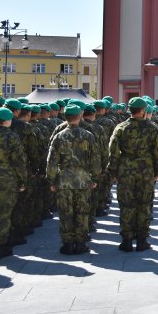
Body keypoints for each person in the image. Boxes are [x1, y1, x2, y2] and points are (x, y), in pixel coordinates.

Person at [109, 97, 158, 251]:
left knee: (126, 205)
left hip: (125, 171)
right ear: (142, 111)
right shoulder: (152, 128)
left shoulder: (121, 127)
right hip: (146, 171)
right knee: (144, 205)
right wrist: (156, 172)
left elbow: (113, 153)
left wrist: (113, 172)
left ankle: (127, 241)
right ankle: (142, 240)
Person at [46, 105, 100, 255]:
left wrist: (51, 180)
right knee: (82, 212)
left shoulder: (58, 136)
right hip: (83, 180)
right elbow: (95, 158)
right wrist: (95, 177)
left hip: (64, 181)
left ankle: (68, 243)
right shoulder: (88, 135)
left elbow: (51, 161)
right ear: (80, 116)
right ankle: (81, 243)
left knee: (65, 213)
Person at [0, 107, 26, 263]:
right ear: (7, 121)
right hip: (7, 178)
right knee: (3, 213)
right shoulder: (13, 138)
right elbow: (19, 162)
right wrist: (23, 180)